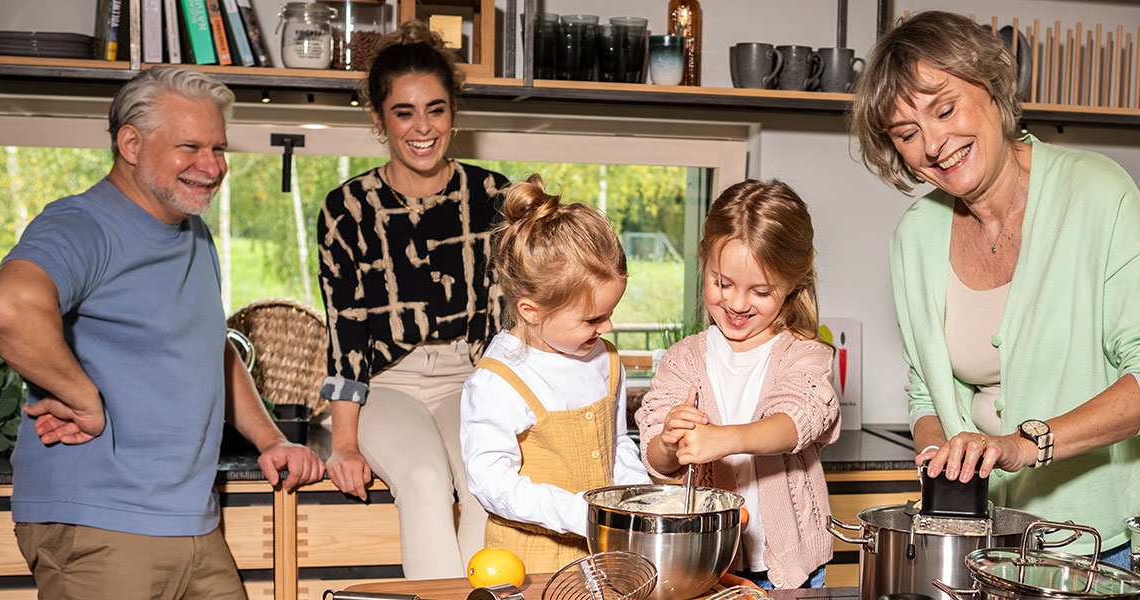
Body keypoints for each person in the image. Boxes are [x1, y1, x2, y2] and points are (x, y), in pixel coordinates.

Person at [848, 11, 1140, 565]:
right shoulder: (913, 238)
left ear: (991, 88)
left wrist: (1024, 444)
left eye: (945, 109)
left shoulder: (1099, 194)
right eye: (907, 133)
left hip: (1120, 531)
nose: (934, 144)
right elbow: (927, 396)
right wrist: (944, 464)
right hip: (999, 535)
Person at [0, 66, 324, 599]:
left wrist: (270, 438)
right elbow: (6, 306)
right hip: (102, 523)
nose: (212, 166)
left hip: (191, 521)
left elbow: (211, 347)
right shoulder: (83, 224)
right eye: (190, 147)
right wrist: (83, 398)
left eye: (218, 148)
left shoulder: (192, 232)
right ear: (131, 144)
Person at [316, 22, 509, 579]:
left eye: (435, 110)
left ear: (453, 114)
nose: (422, 127)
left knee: (486, 485)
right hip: (385, 386)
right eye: (404, 112)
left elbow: (512, 317)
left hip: (470, 379)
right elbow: (345, 330)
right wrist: (344, 444)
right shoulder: (347, 208)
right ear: (379, 120)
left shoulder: (493, 196)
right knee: (425, 481)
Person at [638, 180, 840, 590]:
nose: (736, 303)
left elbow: (796, 421)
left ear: (793, 283)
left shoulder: (805, 355)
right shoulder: (683, 359)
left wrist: (723, 439)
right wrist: (669, 441)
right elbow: (656, 459)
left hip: (791, 568)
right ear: (704, 263)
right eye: (722, 283)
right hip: (705, 562)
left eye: (760, 291)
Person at [461, 176, 653, 570]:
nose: (607, 327)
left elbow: (617, 444)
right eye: (592, 318)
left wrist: (638, 499)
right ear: (531, 311)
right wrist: (581, 513)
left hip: (605, 555)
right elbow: (491, 482)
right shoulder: (497, 382)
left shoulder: (605, 359)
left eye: (610, 313)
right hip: (531, 562)